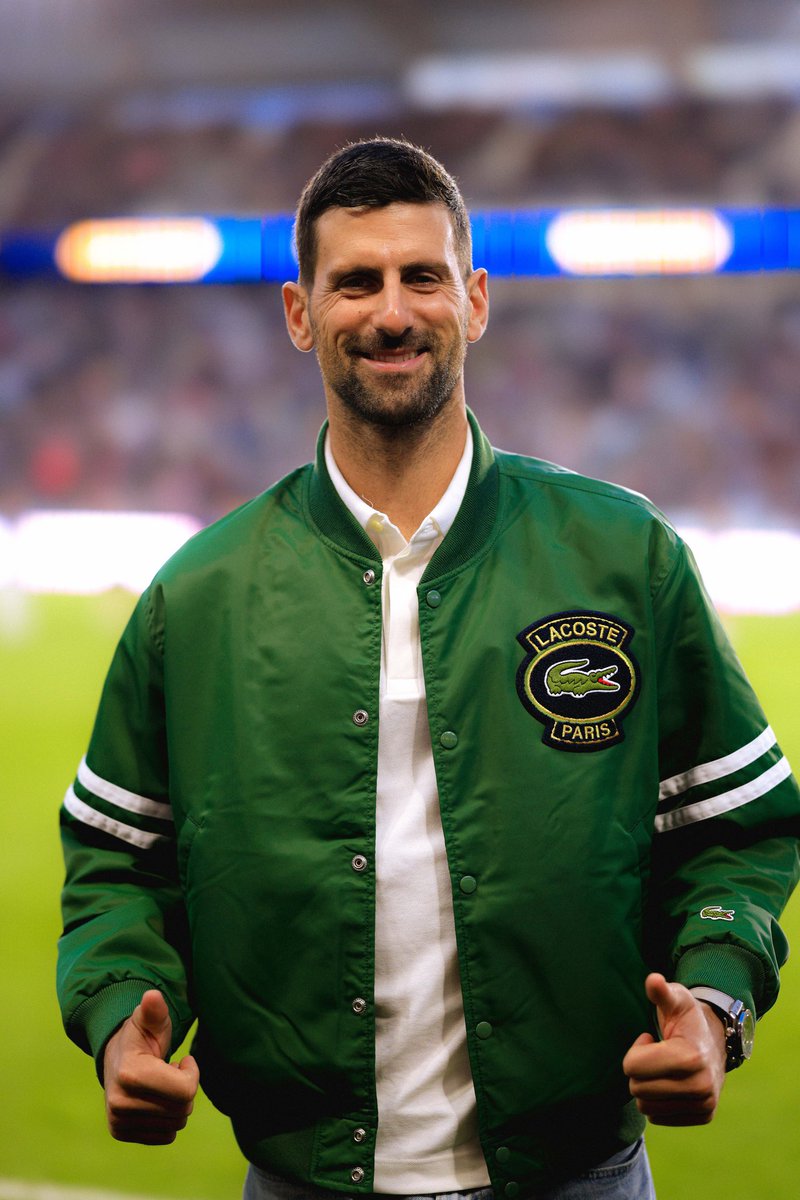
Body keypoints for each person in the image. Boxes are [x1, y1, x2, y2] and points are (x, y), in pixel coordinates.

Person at [57, 138, 800, 1200]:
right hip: (302, 1178)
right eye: (353, 281)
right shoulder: (197, 596)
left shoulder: (622, 557)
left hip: (577, 1171)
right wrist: (118, 1016)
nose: (391, 312)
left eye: (422, 277)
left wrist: (715, 1001)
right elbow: (116, 861)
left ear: (476, 300)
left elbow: (737, 829)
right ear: (298, 314)